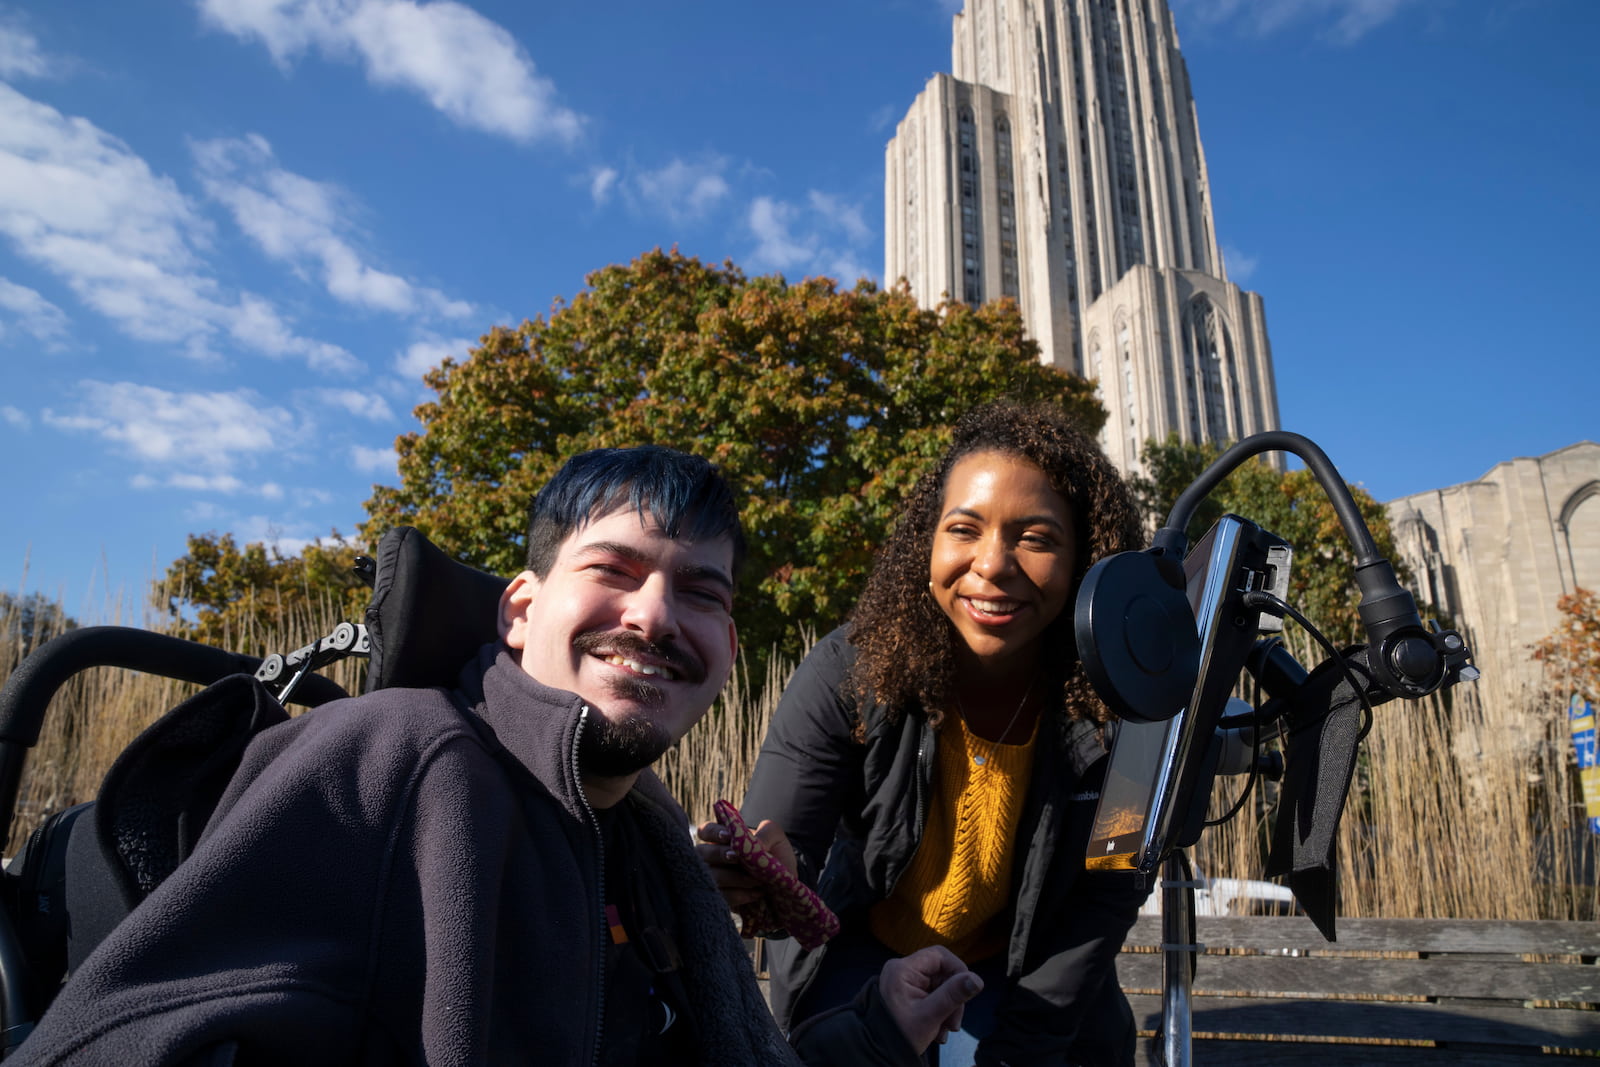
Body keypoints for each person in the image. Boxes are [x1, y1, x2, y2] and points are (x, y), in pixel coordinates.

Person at [14, 446, 981, 1066]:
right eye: (614, 569)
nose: (654, 616)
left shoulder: (643, 852)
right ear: (521, 610)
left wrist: (877, 1034)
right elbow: (107, 1039)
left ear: (728, 647)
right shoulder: (395, 759)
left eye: (703, 595)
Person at [699, 402, 1151, 1066]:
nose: (992, 564)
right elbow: (784, 850)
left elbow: (1103, 901)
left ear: (1088, 559)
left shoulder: (1129, 710)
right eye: (964, 527)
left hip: (1031, 972)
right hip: (866, 955)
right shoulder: (848, 672)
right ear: (927, 542)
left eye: (1037, 537)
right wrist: (765, 879)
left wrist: (1015, 1053)